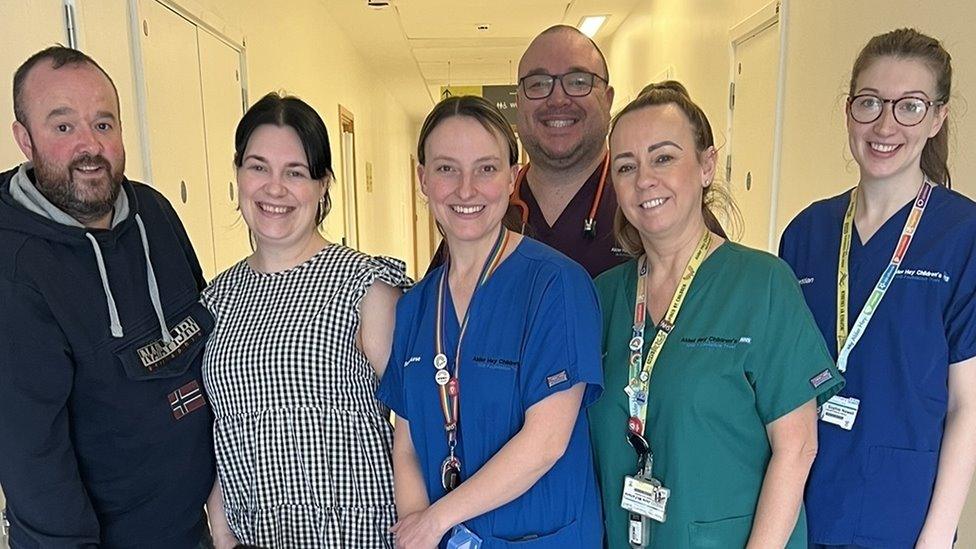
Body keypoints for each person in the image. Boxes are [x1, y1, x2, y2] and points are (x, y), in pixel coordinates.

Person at [589, 81, 844, 549]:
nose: (645, 178)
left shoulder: (762, 284)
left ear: (706, 166)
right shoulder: (603, 298)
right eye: (626, 166)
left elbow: (798, 447)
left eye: (663, 157)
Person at [0, 47, 214, 547]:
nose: (89, 146)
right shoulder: (14, 267)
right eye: (63, 127)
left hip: (197, 524)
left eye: (103, 124)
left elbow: (202, 337)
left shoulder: (153, 213)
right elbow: (33, 459)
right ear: (24, 139)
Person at [377, 95, 604, 548]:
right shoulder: (417, 304)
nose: (466, 189)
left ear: (512, 175)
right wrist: (417, 527)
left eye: (485, 168)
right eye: (445, 168)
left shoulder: (555, 285)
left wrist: (434, 521)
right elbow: (405, 444)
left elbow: (546, 442)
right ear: (422, 178)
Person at [779, 28, 976, 549]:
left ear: (937, 118)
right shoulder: (805, 234)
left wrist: (934, 539)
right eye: (869, 103)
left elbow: (968, 407)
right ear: (849, 111)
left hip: (905, 518)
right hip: (803, 506)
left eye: (909, 106)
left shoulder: (963, 235)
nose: (885, 124)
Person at [201, 92, 409, 548]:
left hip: (359, 535)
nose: (274, 188)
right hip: (253, 537)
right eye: (258, 167)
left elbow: (419, 423)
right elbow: (223, 430)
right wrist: (221, 533)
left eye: (295, 172)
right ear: (238, 174)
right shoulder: (217, 298)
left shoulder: (363, 285)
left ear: (323, 185)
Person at [430, 25, 626, 278]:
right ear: (519, 102)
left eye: (578, 82)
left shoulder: (639, 200)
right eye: (538, 84)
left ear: (608, 99)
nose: (557, 99)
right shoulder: (482, 207)